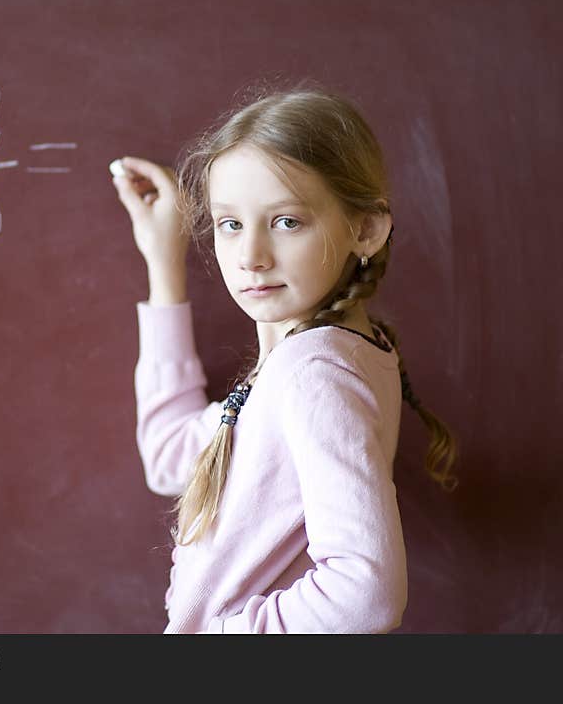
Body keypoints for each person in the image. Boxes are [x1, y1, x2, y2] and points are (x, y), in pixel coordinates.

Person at [110, 83, 459, 634]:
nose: (250, 256)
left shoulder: (314, 374)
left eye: (286, 221)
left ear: (364, 229)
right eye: (231, 224)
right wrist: (164, 263)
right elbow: (170, 455)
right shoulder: (314, 360)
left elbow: (365, 594)